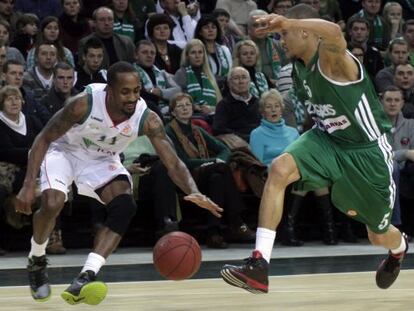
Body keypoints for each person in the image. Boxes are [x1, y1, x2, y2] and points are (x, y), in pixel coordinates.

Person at [220, 4, 409, 294]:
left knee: (378, 235)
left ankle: (399, 250)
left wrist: (285, 20)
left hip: (366, 152)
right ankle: (259, 265)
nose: (282, 41)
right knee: (279, 169)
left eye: (286, 34)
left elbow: (334, 31)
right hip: (327, 139)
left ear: (305, 31)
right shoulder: (297, 70)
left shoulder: (334, 60)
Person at [15, 61, 222, 305]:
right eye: (125, 92)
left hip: (102, 158)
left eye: (136, 91)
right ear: (109, 91)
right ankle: (37, 258)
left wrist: (194, 191)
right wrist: (29, 184)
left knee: (125, 205)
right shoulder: (83, 104)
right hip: (64, 151)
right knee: (52, 202)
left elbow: (174, 163)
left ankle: (86, 275)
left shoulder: (148, 119)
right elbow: (44, 137)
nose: (132, 97)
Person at [166, 92, 255, 248]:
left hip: (205, 174)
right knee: (219, 167)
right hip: (184, 177)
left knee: (217, 178)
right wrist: (213, 161)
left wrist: (217, 161)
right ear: (173, 112)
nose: (185, 108)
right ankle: (237, 222)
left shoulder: (197, 130)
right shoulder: (169, 132)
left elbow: (224, 149)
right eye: (180, 106)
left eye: (187, 105)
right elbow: (184, 162)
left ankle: (213, 233)